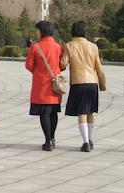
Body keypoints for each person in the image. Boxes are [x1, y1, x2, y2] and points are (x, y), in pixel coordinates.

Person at [59, 21, 107, 152]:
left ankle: (85, 142)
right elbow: (99, 68)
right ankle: (90, 140)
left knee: (82, 113)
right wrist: (102, 83)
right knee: (90, 112)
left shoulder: (69, 46)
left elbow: (63, 64)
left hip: (78, 82)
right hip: (92, 83)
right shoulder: (93, 47)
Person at [25, 20, 64, 151]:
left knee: (44, 113)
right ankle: (52, 138)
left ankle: (47, 140)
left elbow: (29, 65)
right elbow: (62, 65)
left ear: (41, 31)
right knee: (53, 112)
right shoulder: (59, 47)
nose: (36, 33)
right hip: (55, 85)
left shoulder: (35, 47)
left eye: (37, 31)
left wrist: (39, 72)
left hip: (41, 85)